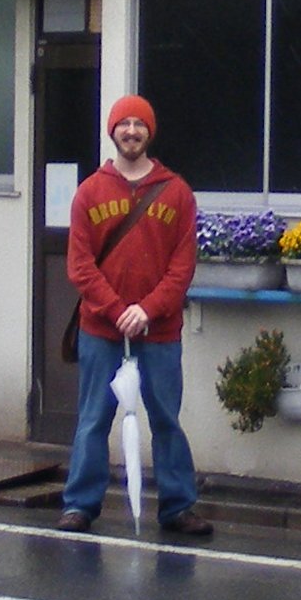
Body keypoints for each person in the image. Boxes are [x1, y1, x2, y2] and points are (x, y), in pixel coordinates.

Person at [60, 93, 210, 537]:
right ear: (113, 131)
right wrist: (117, 310)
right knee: (93, 419)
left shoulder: (177, 193)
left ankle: (178, 506)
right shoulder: (90, 192)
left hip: (159, 331)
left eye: (139, 124)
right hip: (100, 330)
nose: (131, 131)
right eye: (123, 124)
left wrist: (147, 309)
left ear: (150, 132)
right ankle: (79, 505)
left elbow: (182, 267)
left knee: (166, 420)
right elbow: (80, 266)